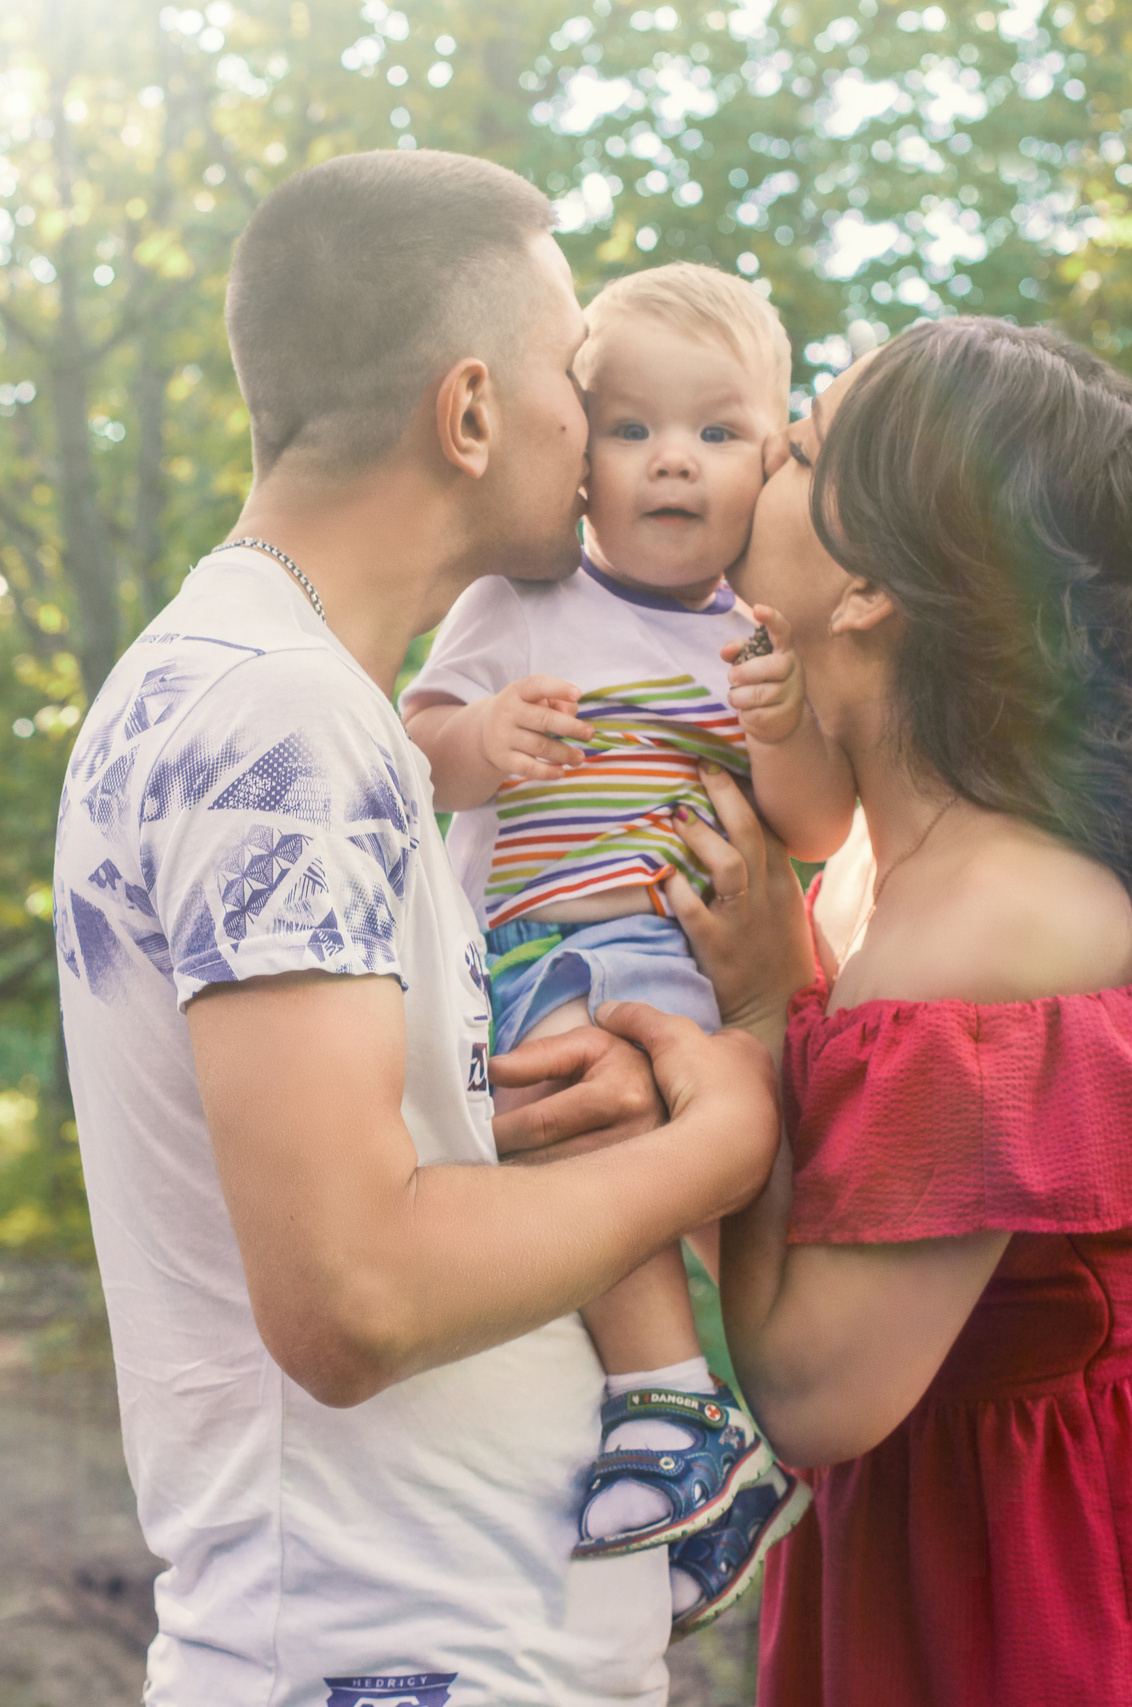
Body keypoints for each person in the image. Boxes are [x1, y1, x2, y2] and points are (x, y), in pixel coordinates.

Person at [50, 150, 782, 1707]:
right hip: (402, 1655)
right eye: (576, 379)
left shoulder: (275, 700)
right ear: (468, 413)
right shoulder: (283, 725)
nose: (596, 429)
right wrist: (718, 1142)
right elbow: (355, 1292)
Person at [664, 316, 1132, 1702]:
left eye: (796, 449)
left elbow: (811, 1396)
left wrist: (756, 1012)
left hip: (1069, 1598)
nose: (754, 465)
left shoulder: (1004, 929)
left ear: (866, 588)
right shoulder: (876, 870)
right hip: (932, 1554)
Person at [399, 263, 850, 1635]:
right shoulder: (517, 606)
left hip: (688, 969)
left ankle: (703, 1411)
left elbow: (817, 825)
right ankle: (683, 1418)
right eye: (632, 428)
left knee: (643, 1151)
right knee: (577, 1137)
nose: (673, 462)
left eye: (718, 433)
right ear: (576, 454)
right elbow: (413, 756)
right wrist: (481, 743)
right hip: (535, 953)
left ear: (772, 459)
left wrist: (783, 718)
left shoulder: (759, 642)